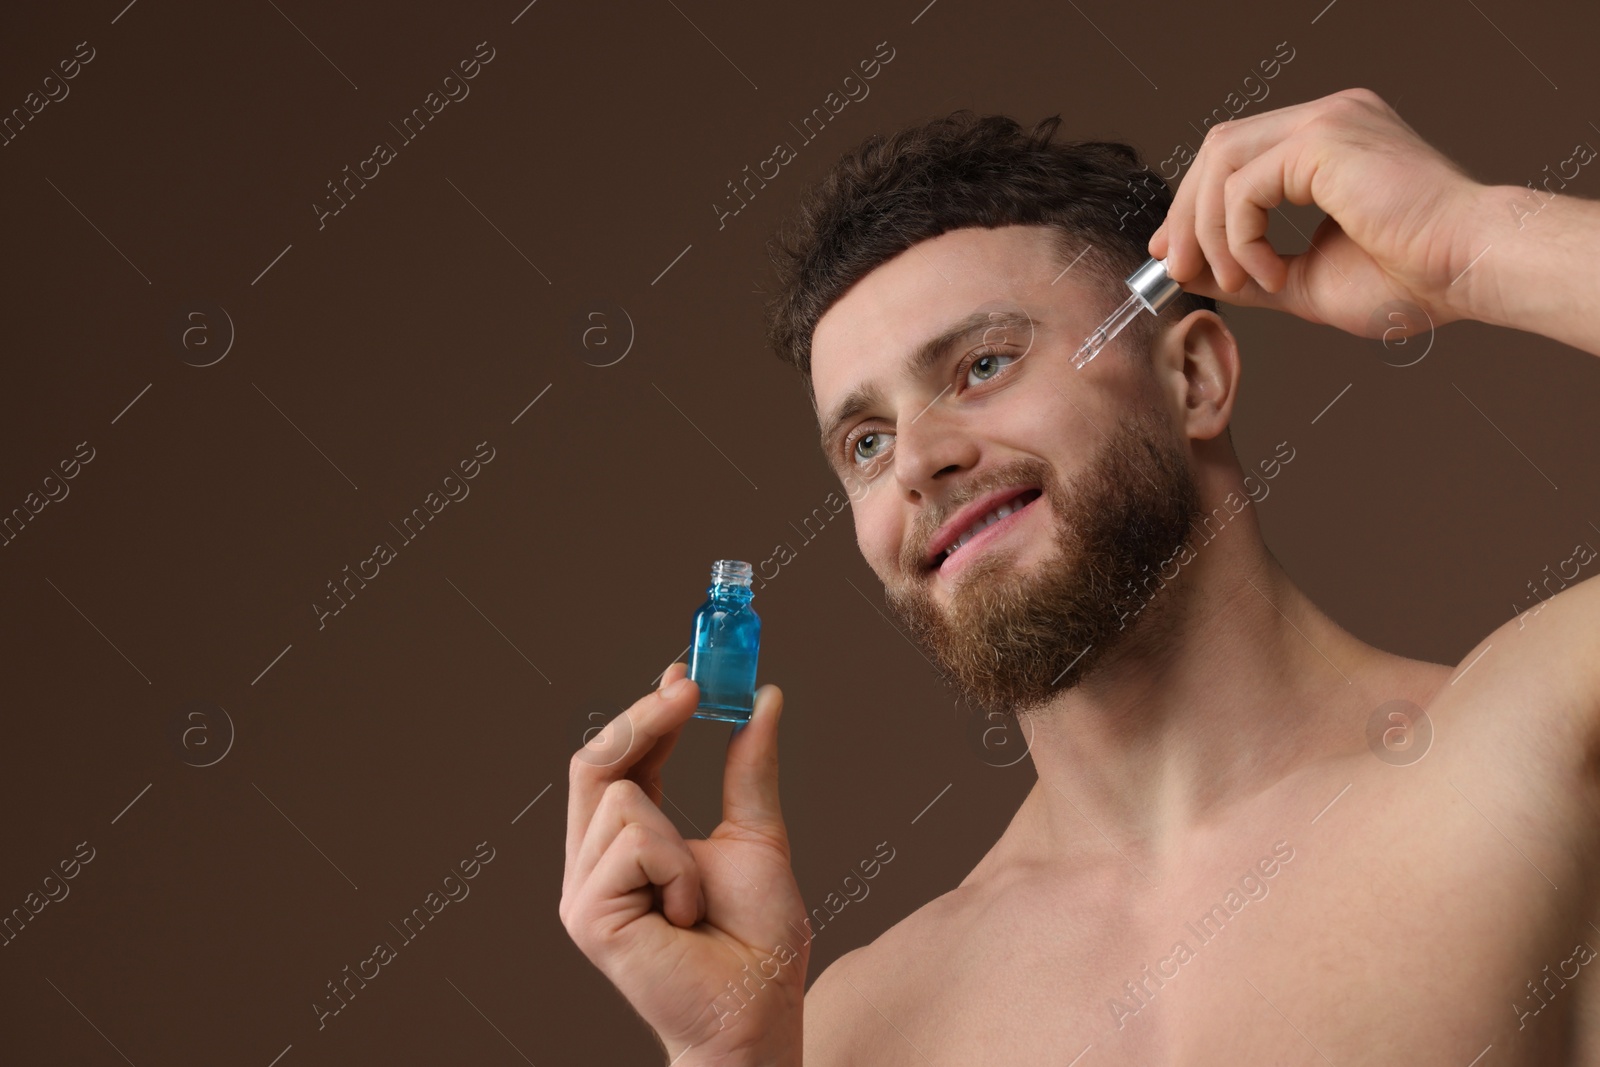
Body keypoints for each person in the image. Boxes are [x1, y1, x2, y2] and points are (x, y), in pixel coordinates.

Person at [561, 88, 1600, 1065]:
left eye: (982, 365)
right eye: (867, 443)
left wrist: (1475, 245)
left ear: (1192, 376)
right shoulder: (855, 1022)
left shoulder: (1540, 745)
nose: (918, 459)